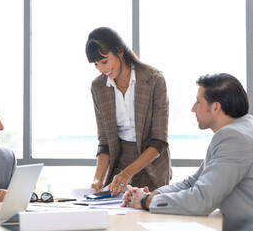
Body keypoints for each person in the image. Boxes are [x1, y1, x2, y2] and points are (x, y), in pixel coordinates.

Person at [121, 73, 253, 231]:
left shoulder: (233, 138)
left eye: (198, 102)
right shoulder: (243, 128)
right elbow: (194, 181)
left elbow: (202, 200)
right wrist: (155, 193)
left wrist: (146, 201)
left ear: (216, 107)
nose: (193, 108)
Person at [86, 27, 171, 195]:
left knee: (147, 216)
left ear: (119, 50)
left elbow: (159, 141)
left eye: (104, 61)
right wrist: (98, 179)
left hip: (151, 165)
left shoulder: (154, 80)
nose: (101, 69)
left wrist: (128, 173)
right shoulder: (98, 87)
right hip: (119, 165)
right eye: (96, 64)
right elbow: (105, 144)